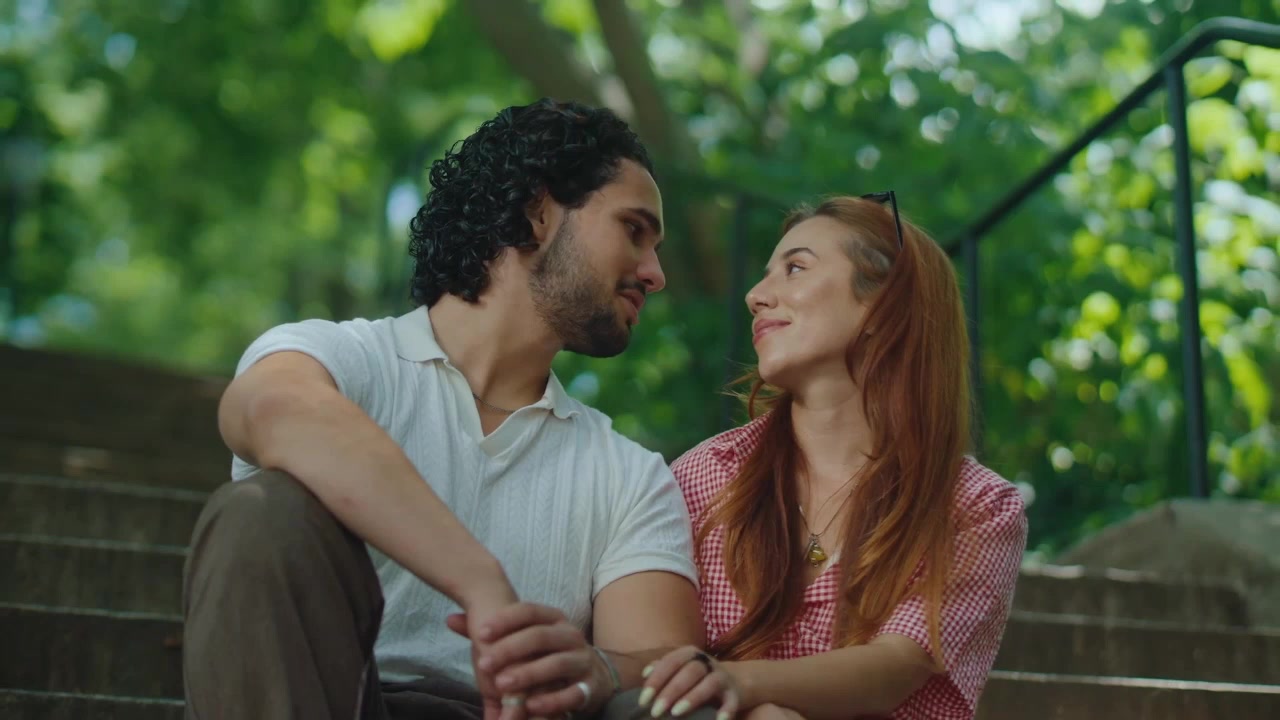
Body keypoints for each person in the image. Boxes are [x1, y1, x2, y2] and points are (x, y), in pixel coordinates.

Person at [181, 98, 706, 720]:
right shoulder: (339, 360)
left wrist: (597, 671)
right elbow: (270, 410)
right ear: (538, 211)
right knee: (260, 513)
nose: (656, 273)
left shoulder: (630, 474)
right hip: (328, 701)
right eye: (634, 230)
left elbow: (660, 663)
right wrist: (480, 583)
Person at [633, 194, 1028, 720]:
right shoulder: (705, 476)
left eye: (795, 268)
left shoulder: (978, 507)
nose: (755, 296)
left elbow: (893, 668)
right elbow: (659, 669)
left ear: (882, 305)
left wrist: (733, 682)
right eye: (765, 275)